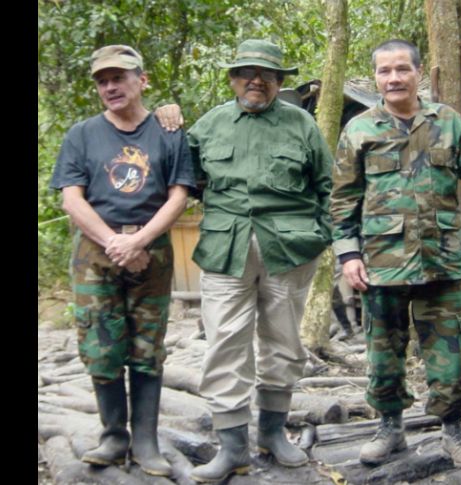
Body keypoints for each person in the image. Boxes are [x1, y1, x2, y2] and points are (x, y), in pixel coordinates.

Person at [166, 39, 333, 483]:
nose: (256, 80)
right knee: (225, 344)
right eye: (246, 72)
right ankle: (233, 447)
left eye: (267, 74)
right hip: (226, 251)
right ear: (233, 79)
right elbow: (183, 178)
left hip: (290, 251)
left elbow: (327, 186)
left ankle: (273, 436)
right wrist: (165, 117)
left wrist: (318, 238)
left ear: (278, 81)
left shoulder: (301, 124)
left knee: (283, 342)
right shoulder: (209, 125)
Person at [330, 39, 461, 469]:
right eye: (385, 71)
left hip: (441, 261)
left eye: (402, 69)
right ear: (376, 77)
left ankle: (453, 430)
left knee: (450, 354)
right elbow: (342, 199)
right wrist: (348, 254)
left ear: (418, 72)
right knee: (383, 353)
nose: (394, 78)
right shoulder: (359, 130)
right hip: (381, 263)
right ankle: (390, 429)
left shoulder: (449, 123)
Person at [49, 44, 195, 477]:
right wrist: (115, 242)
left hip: (152, 250)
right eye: (102, 81)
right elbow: (71, 198)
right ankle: (113, 436)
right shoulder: (82, 134)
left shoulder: (169, 131)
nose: (110, 87)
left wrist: (141, 240)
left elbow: (180, 195)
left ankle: (146, 442)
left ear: (142, 80)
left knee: (147, 347)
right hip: (95, 252)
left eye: (118, 78)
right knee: (100, 344)